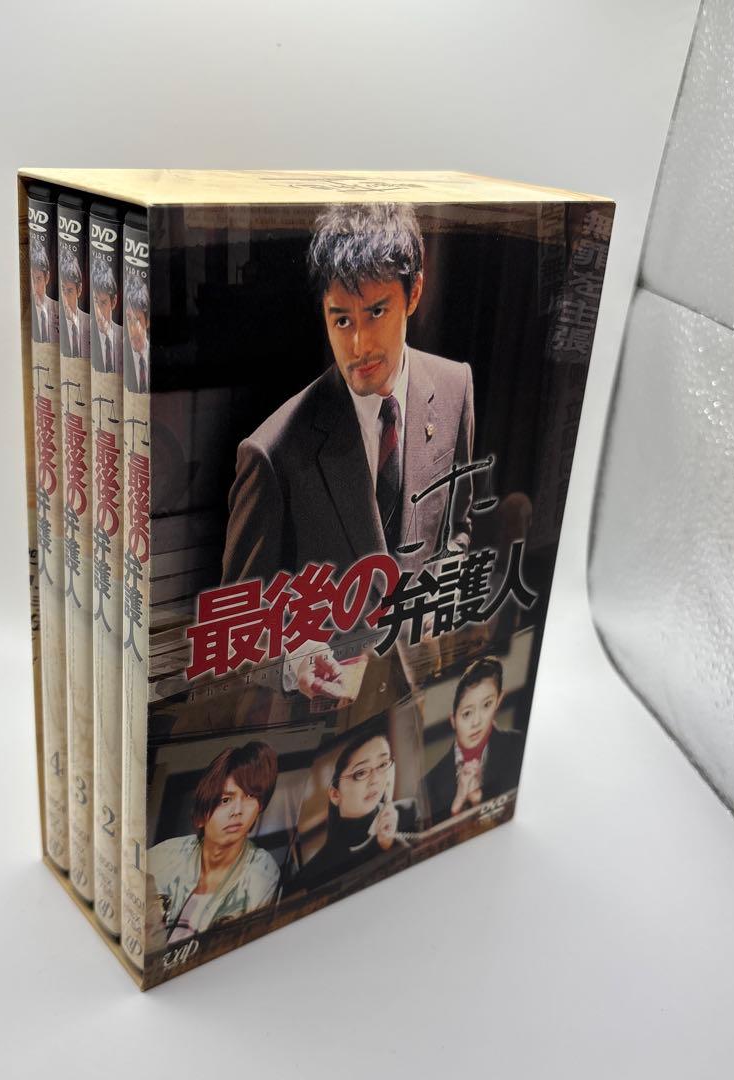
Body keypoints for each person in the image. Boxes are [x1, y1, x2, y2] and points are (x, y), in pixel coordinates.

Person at [222, 203, 475, 700]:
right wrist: (293, 660)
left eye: (377, 312)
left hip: (424, 695)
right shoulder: (270, 453)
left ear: (414, 293)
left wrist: (438, 597)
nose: (359, 345)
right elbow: (238, 625)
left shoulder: (455, 387)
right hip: (326, 715)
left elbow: (457, 529)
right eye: (341, 320)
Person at [145, 741, 280, 944]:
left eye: (250, 796)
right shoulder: (163, 856)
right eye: (225, 800)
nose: (238, 811)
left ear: (260, 805)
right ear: (202, 815)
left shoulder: (261, 872)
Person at [293, 723, 417, 894]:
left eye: (383, 765)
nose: (376, 780)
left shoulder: (411, 812)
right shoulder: (314, 872)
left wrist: (391, 842)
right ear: (335, 794)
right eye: (361, 773)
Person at [423, 656, 524, 825]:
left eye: (487, 705)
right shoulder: (428, 784)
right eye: (467, 713)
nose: (477, 721)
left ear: (499, 700)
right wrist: (457, 805)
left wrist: (479, 799)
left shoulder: (518, 745)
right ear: (453, 720)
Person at [90, 252, 123, 375]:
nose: (98, 312)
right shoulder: (86, 332)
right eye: (96, 301)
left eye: (103, 303)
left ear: (113, 302)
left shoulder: (123, 338)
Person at [58, 244, 91, 359]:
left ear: (79, 290)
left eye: (70, 291)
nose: (65, 299)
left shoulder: (88, 323)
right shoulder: (55, 319)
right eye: (63, 289)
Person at [29, 236, 58, 345]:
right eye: (32, 279)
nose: (35, 287)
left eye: (38, 279)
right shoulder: (28, 310)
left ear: (47, 277)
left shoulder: (58, 308)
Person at [124, 275, 150, 393]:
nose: (133, 330)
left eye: (138, 320)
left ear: (147, 321)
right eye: (129, 319)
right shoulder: (119, 352)